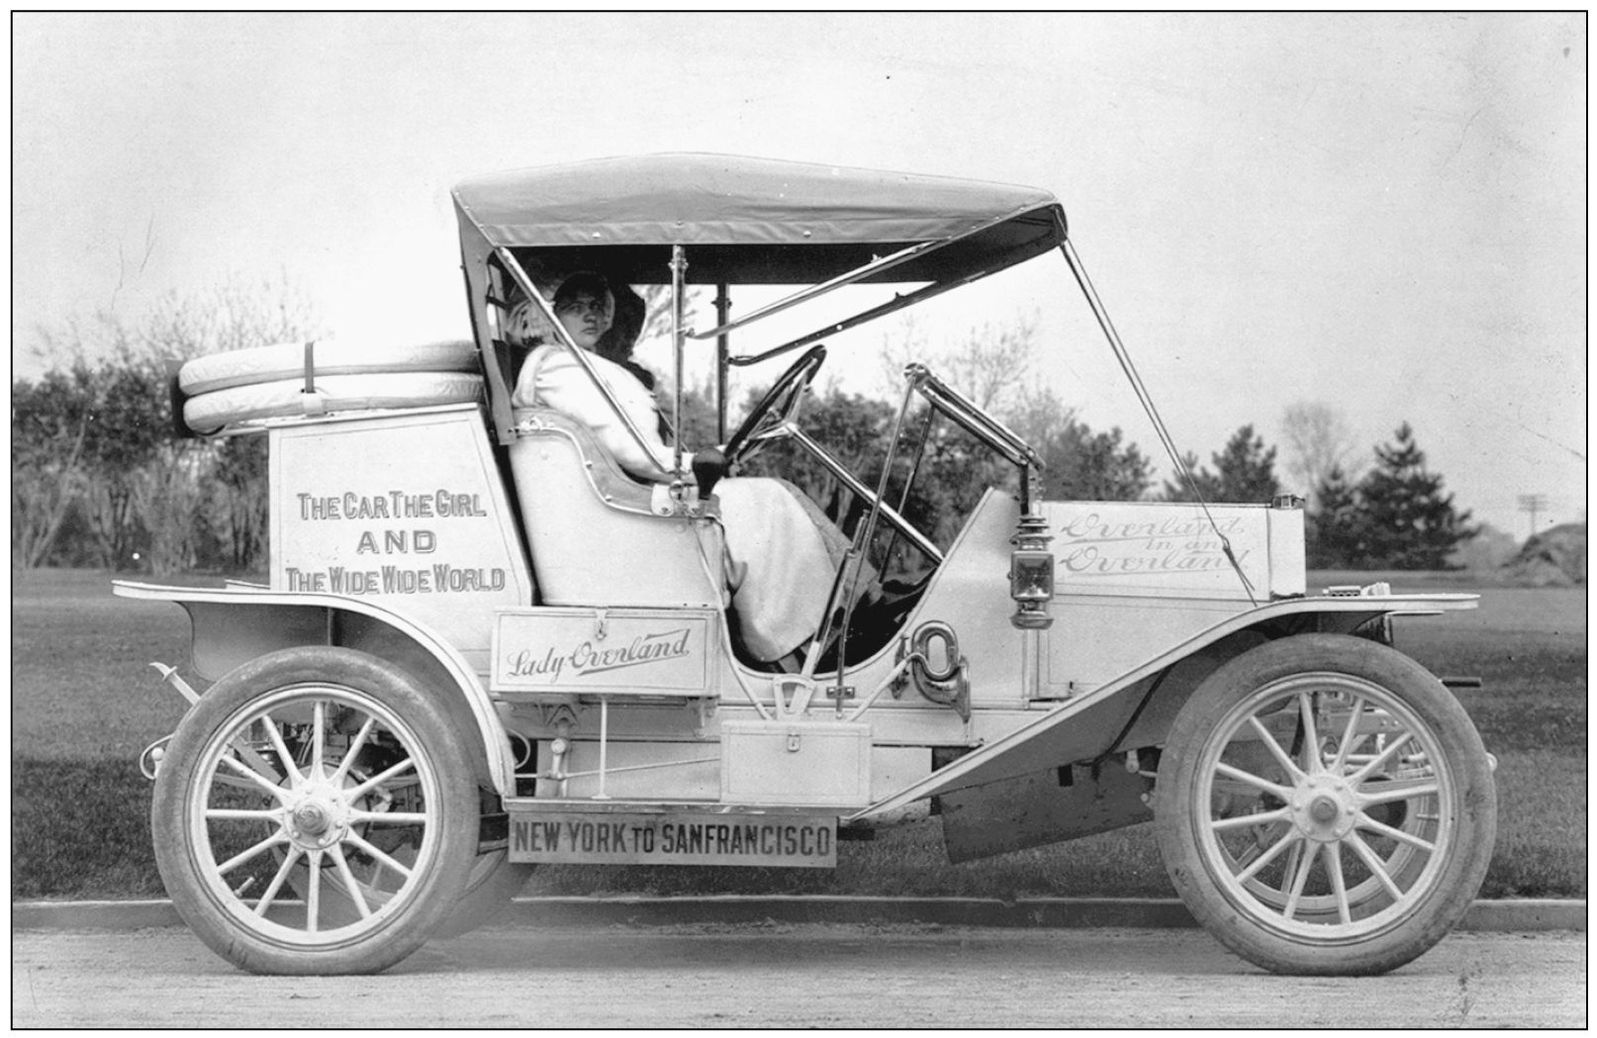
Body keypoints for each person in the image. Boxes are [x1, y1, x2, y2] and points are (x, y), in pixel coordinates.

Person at [508, 272, 860, 665]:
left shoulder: (579, 365)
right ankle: (813, 636)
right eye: (576, 306)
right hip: (626, 516)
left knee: (779, 493)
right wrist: (695, 464)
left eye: (597, 307)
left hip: (629, 504)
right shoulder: (559, 368)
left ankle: (857, 603)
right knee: (767, 498)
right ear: (553, 312)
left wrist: (718, 454)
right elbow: (636, 452)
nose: (590, 316)